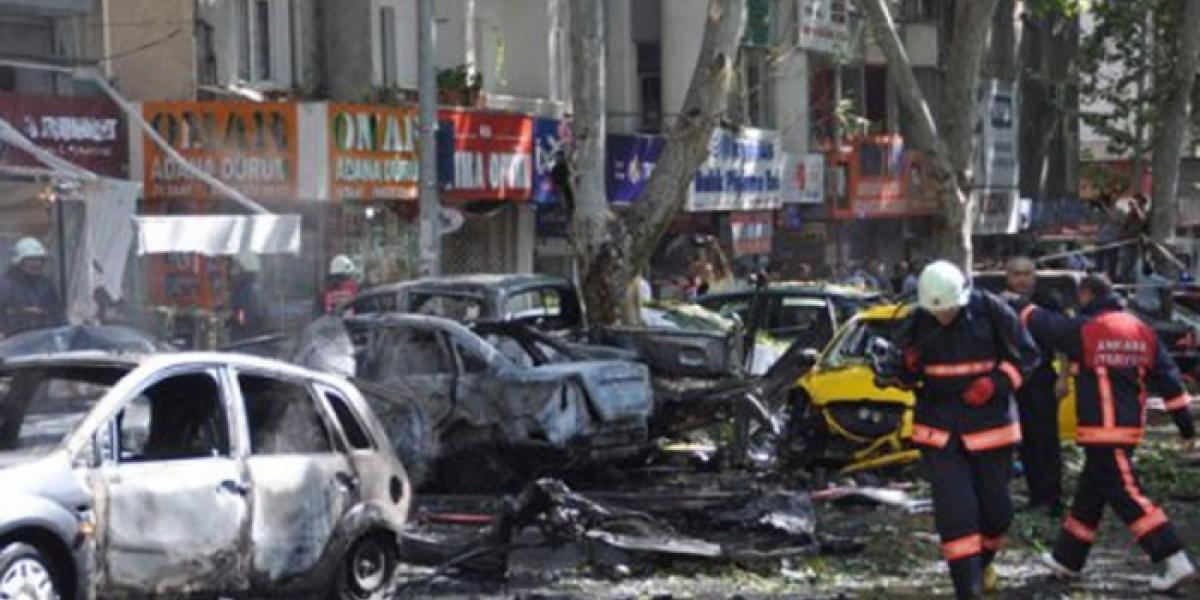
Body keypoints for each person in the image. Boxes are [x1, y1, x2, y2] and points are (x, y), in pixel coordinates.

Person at [1022, 274, 1196, 593]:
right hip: (1127, 428)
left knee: (1127, 496)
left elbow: (1046, 325)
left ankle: (1174, 558)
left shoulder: (1087, 328)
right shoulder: (1142, 330)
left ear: (1086, 295)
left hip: (1101, 429)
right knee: (1090, 496)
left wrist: (1016, 305)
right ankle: (1067, 559)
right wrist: (1186, 427)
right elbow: (1170, 380)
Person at [881, 260, 1039, 598]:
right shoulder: (916, 322)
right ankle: (968, 590)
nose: (943, 316)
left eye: (949, 310)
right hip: (940, 432)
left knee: (997, 514)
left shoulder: (992, 311)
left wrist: (995, 383)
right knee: (956, 514)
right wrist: (903, 369)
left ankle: (981, 563)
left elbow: (1027, 357)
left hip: (991, 428)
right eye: (937, 311)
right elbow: (902, 378)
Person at [1001, 257, 1068, 516]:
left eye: (1027, 274)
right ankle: (1035, 495)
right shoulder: (1000, 303)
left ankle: (1052, 498)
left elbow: (1063, 341)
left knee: (1045, 440)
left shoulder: (1047, 302)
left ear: (1034, 276)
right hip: (1013, 378)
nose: (1022, 279)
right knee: (1025, 441)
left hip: (1041, 378)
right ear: (1008, 277)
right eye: (1017, 274)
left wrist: (1063, 377)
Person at [0, 237, 65, 337]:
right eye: (32, 259)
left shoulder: (46, 285)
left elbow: (60, 318)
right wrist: (21, 313)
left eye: (40, 259)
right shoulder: (4, 286)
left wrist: (44, 314)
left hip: (43, 340)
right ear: (19, 261)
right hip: (12, 341)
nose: (37, 263)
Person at [229, 252, 267, 341]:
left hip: (245, 337)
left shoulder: (243, 288)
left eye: (236, 267)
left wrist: (238, 322)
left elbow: (241, 312)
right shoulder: (256, 286)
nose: (232, 271)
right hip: (253, 334)